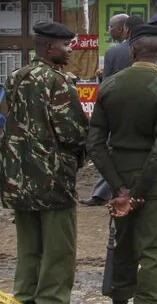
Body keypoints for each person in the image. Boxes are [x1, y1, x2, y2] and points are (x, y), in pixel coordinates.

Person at [87, 24, 157, 304]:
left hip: (119, 173)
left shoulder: (109, 86)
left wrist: (119, 189)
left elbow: (95, 143)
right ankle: (147, 299)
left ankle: (120, 297)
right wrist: (139, 191)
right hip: (155, 180)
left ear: (132, 51)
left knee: (124, 244)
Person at [0, 21, 88, 304]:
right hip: (52, 177)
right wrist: (82, 154)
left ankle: (24, 295)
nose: (70, 50)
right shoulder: (58, 81)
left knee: (28, 246)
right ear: (50, 48)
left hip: (18, 176)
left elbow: (9, 119)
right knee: (59, 248)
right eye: (65, 45)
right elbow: (72, 131)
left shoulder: (15, 77)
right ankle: (51, 298)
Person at [82, 15, 143, 207]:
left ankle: (102, 193)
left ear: (123, 29)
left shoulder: (114, 52)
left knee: (109, 149)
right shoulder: (148, 49)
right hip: (143, 108)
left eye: (110, 27)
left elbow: (107, 86)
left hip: (117, 109)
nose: (109, 30)